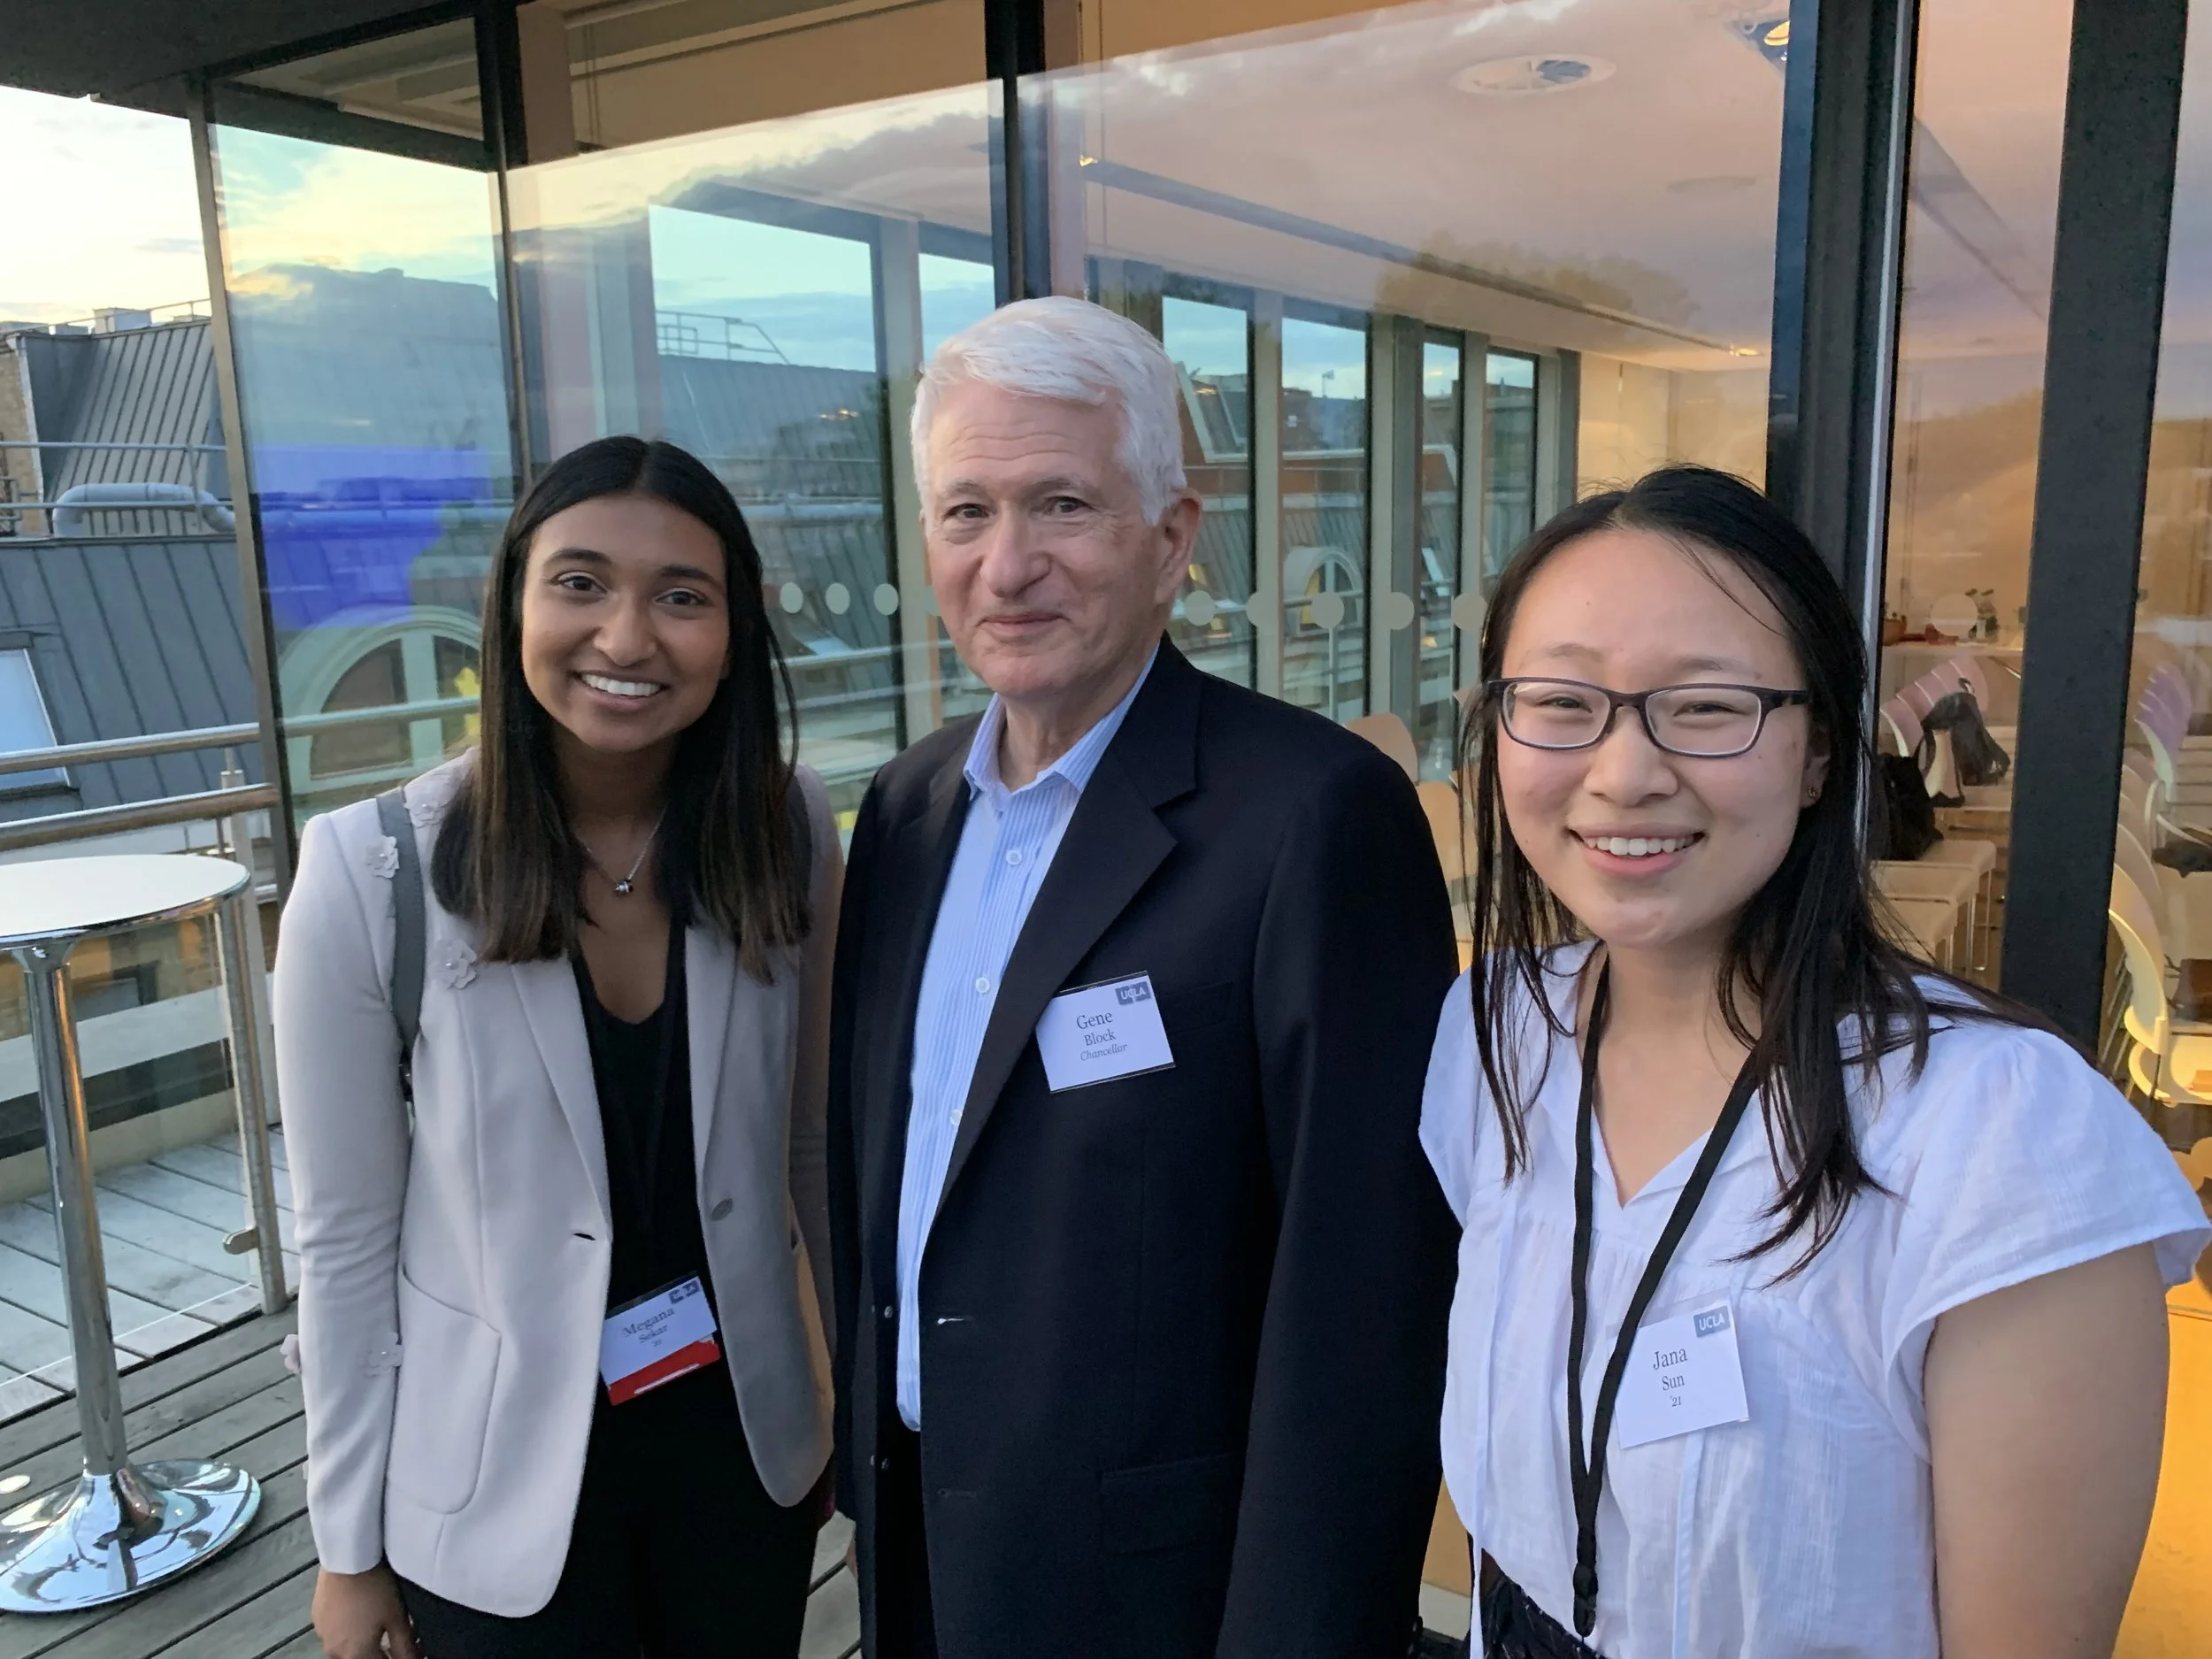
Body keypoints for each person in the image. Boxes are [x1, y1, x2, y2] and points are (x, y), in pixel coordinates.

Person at [1423, 464, 2212, 1659]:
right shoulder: (1494, 1038)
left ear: (1819, 754)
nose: (1625, 772)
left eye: (1704, 705)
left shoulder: (2003, 1140)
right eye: (1563, 700)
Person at [826, 296, 1459, 1658]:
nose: (1008, 565)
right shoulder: (904, 808)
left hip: (1163, 1594)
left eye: (1062, 504)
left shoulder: (1315, 817)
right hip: (926, 1547)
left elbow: (1366, 1300)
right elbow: (884, 1171)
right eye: (965, 512)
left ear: (1173, 541)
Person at [274, 436, 841, 1659]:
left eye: (682, 595)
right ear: (513, 600)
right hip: (492, 1474)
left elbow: (810, 1148)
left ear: (735, 629)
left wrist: (848, 1399)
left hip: (743, 1448)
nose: (628, 638)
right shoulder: (370, 871)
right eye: (580, 582)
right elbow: (343, 1238)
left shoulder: (784, 830)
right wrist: (347, 1546)